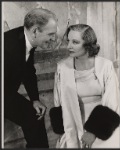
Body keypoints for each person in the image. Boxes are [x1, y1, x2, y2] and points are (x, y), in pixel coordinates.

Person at [51, 24, 120, 148]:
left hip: (103, 124)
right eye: (68, 41)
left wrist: (93, 132)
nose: (68, 46)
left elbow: (112, 102)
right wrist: (65, 131)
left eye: (75, 42)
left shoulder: (106, 66)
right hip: (72, 121)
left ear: (88, 44)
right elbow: (58, 102)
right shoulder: (62, 67)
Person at [4, 8, 58, 148]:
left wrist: (35, 99)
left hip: (6, 92)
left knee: (34, 115)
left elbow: (28, 71)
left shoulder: (27, 39)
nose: (54, 38)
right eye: (51, 34)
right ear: (35, 31)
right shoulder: (9, 47)